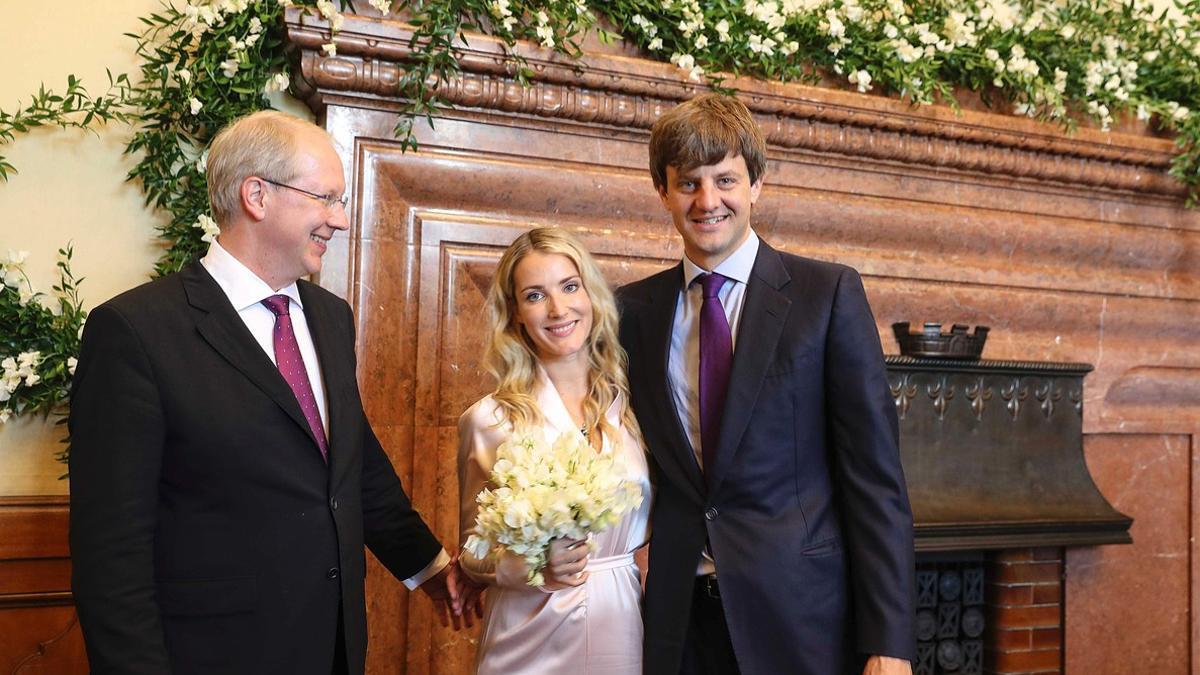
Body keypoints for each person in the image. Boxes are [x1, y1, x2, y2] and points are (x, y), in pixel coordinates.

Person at [69, 110, 466, 675]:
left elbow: (351, 466)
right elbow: (111, 555)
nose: (342, 219)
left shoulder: (331, 318)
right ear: (256, 194)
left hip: (332, 650)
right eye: (326, 199)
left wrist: (431, 569)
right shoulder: (136, 331)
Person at [617, 93, 916, 675]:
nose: (708, 201)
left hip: (800, 619)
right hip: (676, 626)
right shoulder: (629, 311)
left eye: (725, 179)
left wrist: (890, 642)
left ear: (756, 183)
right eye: (689, 184)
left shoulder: (826, 297)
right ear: (662, 191)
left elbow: (876, 484)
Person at [456, 227, 652, 675]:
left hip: (617, 616)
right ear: (516, 314)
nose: (558, 309)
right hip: (526, 626)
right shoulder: (489, 420)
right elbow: (471, 550)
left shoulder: (634, 410)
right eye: (535, 295)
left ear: (590, 294)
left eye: (569, 286)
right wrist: (529, 565)